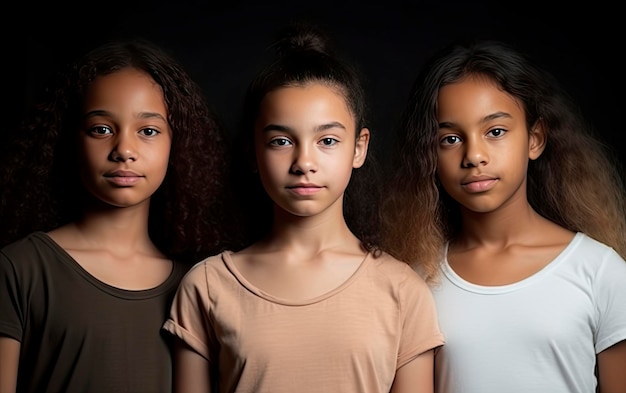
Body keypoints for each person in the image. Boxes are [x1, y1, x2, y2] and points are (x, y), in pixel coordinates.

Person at [163, 22, 444, 393]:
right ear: (252, 151)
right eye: (281, 141)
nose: (304, 162)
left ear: (358, 148)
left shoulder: (402, 290)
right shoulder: (209, 285)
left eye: (327, 140)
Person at [381, 39, 626, 393]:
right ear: (428, 155)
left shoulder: (601, 273)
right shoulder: (415, 278)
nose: (474, 155)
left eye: (495, 132)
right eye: (450, 139)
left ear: (535, 138)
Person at [0, 38, 239, 393]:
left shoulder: (199, 283)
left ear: (178, 143)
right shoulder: (20, 268)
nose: (124, 150)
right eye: (101, 129)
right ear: (70, 140)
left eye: (148, 131)